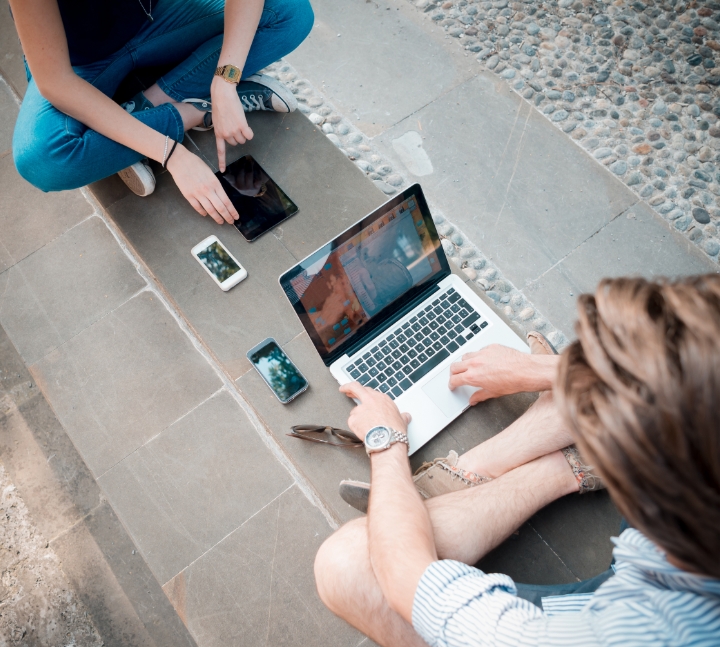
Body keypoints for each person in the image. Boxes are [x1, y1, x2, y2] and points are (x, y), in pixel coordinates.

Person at [314, 275, 720, 646]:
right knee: (587, 403)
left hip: (603, 617)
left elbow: (407, 577)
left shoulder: (562, 639)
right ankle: (554, 457)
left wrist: (386, 442)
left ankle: (546, 466)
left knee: (348, 565)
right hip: (664, 576)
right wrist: (540, 369)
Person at [10, 0, 313, 226]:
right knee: (42, 160)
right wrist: (171, 153)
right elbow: (57, 82)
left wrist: (225, 79)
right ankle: (197, 111)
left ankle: (140, 112)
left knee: (290, 14)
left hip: (161, 18)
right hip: (78, 61)